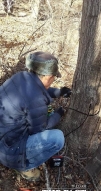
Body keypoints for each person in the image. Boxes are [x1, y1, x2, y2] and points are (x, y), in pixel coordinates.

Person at [0, 51, 71, 181]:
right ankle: (24, 168)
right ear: (48, 77)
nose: (54, 79)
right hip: (8, 150)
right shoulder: (36, 99)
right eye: (54, 77)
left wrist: (59, 92)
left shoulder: (21, 77)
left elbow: (37, 89)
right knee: (57, 138)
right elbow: (39, 129)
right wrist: (58, 114)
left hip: (4, 137)